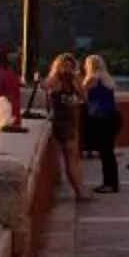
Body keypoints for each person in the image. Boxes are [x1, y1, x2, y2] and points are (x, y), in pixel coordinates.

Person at [39, 55, 83, 206]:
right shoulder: (54, 81)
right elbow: (45, 92)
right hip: (60, 122)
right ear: (58, 66)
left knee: (72, 158)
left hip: (69, 121)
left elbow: (83, 97)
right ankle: (79, 192)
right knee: (69, 158)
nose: (68, 69)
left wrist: (77, 83)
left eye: (70, 66)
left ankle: (78, 190)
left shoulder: (72, 81)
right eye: (65, 65)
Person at [80, 56, 122, 195]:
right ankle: (112, 183)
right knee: (108, 152)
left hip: (104, 119)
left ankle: (109, 184)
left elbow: (83, 96)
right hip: (113, 117)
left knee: (106, 152)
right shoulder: (107, 79)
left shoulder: (93, 79)